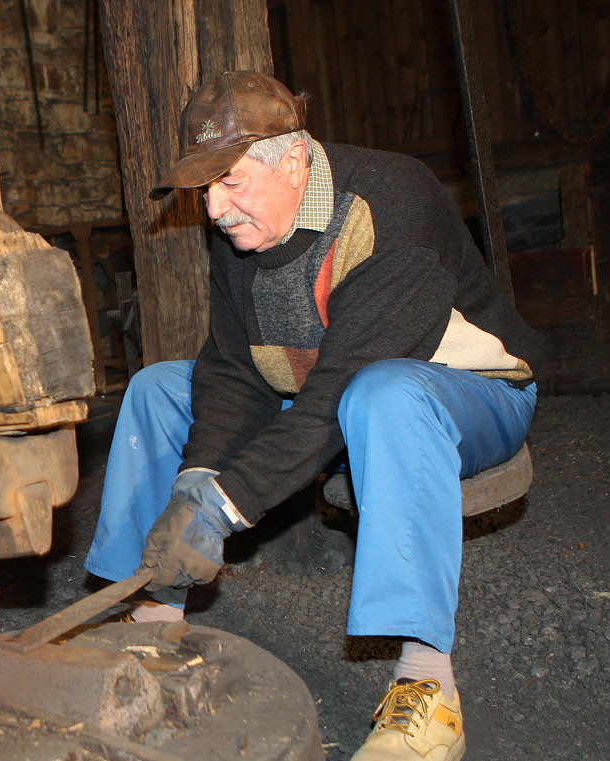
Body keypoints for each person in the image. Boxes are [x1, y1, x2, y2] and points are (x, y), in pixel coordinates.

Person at [83, 71, 543, 761]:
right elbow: (234, 369)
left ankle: (428, 689)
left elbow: (340, 392)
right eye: (204, 188)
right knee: (157, 390)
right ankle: (152, 621)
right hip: (324, 388)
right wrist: (197, 478)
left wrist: (224, 505)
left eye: (230, 181)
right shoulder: (242, 230)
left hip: (463, 391)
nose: (213, 208)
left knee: (380, 395)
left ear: (294, 159)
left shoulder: (390, 201)